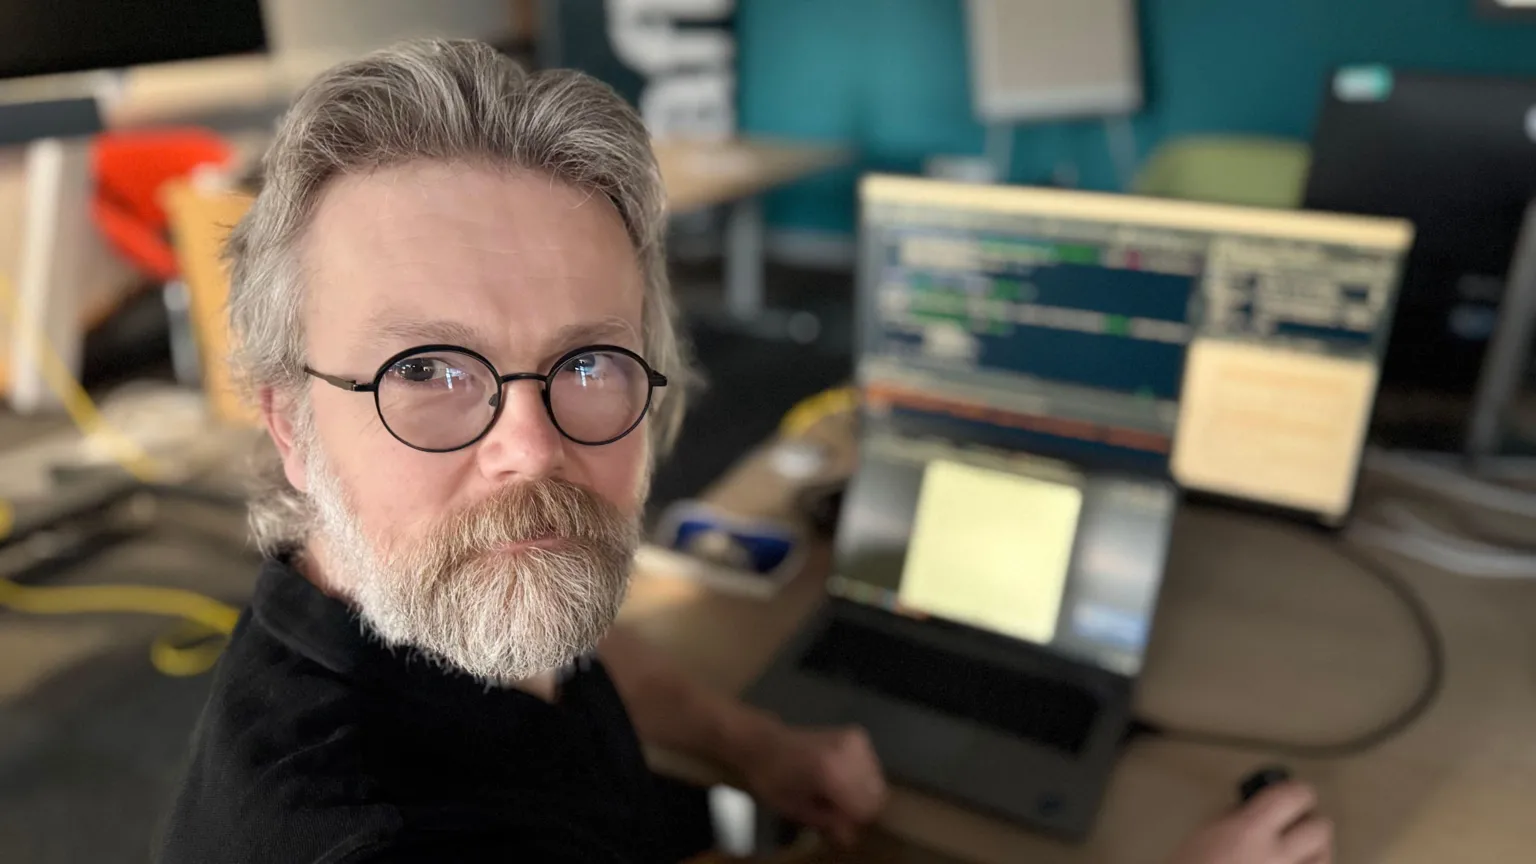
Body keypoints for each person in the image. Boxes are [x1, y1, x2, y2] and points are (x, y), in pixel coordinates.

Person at [158, 39, 1333, 864]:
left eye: (585, 363)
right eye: (426, 371)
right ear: (290, 426)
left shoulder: (441, 607)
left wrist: (757, 750)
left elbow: (579, 664)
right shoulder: (368, 835)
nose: (532, 447)